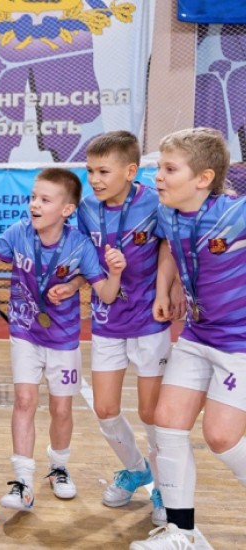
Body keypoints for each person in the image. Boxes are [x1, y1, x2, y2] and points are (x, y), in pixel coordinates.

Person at [0, 168, 126, 513]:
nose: (35, 204)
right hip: (24, 332)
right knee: (24, 400)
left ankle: (58, 467)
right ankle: (23, 481)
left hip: (63, 339)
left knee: (61, 408)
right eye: (33, 197)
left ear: (67, 209)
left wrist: (116, 272)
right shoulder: (18, 233)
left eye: (45, 200)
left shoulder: (79, 245)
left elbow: (106, 295)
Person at [131, 128, 246, 549]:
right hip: (196, 335)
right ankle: (182, 534)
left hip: (239, 344)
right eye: (158, 168)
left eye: (169, 169)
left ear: (203, 178)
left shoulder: (236, 214)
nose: (158, 177)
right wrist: (165, 289)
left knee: (221, 437)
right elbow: (169, 248)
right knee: (167, 423)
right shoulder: (168, 214)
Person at [68, 131, 171, 525]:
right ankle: (136, 469)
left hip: (149, 320)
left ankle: (165, 487)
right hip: (107, 319)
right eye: (90, 171)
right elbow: (87, 259)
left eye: (103, 171)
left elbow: (168, 248)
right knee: (106, 408)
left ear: (130, 171)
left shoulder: (155, 202)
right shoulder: (87, 209)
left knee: (151, 412)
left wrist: (167, 290)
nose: (94, 179)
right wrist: (74, 284)